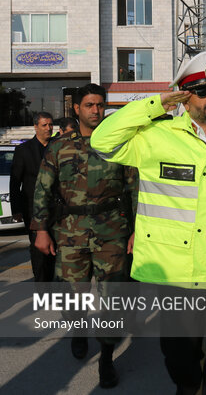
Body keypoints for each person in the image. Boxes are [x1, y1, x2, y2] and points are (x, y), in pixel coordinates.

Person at [90, 51, 206, 395]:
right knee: (179, 357)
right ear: (185, 99)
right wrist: (155, 104)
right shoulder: (155, 137)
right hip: (175, 272)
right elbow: (102, 140)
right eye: (203, 91)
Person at [30, 83, 136, 389]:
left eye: (100, 105)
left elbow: (134, 188)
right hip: (70, 232)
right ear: (77, 109)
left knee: (112, 298)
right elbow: (42, 189)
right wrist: (40, 230)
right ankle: (78, 331)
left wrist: (137, 231)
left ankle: (106, 356)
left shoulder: (119, 143)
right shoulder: (58, 146)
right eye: (90, 105)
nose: (96, 110)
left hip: (112, 232)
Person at [9, 111, 54, 282]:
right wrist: (16, 209)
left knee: (56, 247)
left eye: (50, 125)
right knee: (38, 249)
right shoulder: (23, 150)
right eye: (44, 125)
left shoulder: (57, 147)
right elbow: (15, 182)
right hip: (32, 208)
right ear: (36, 127)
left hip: (56, 207)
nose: (48, 128)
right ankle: (42, 286)